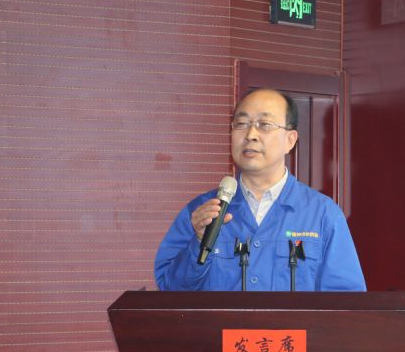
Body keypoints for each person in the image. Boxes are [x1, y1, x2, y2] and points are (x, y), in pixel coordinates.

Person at [154, 88, 366, 291]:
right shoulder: (202, 211)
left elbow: (346, 303)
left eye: (264, 124)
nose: (250, 134)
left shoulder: (323, 214)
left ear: (290, 140)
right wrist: (199, 241)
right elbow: (170, 290)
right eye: (241, 124)